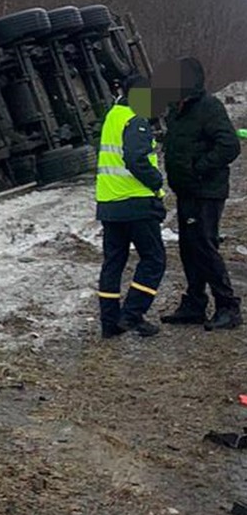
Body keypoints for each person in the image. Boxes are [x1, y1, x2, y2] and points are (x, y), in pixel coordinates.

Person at [156, 56, 242, 330]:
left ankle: (228, 306)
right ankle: (194, 303)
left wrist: (200, 168)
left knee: (204, 246)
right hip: (186, 191)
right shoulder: (176, 110)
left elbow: (229, 145)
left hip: (207, 191)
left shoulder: (208, 107)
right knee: (189, 248)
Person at [95, 72, 167, 338]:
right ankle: (133, 315)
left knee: (113, 262)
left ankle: (109, 322)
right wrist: (156, 181)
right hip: (135, 202)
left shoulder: (113, 115)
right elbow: (136, 159)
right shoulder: (135, 119)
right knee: (154, 260)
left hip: (109, 203)